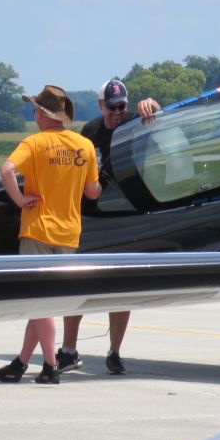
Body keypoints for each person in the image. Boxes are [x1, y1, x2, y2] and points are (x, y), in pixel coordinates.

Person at [0, 85, 101, 384]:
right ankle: (21, 363)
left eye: (34, 111)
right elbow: (93, 191)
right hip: (68, 233)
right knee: (44, 303)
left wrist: (19, 200)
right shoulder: (84, 145)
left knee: (40, 303)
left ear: (41, 114)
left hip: (38, 229)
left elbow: (6, 170)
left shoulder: (35, 143)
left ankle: (50, 366)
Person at [58, 79, 161, 375]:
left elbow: (159, 118)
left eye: (122, 106)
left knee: (122, 288)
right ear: (101, 105)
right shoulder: (90, 132)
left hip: (126, 215)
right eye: (112, 106)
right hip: (92, 215)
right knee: (76, 284)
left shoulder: (136, 122)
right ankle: (68, 350)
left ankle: (115, 352)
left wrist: (152, 103)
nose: (118, 112)